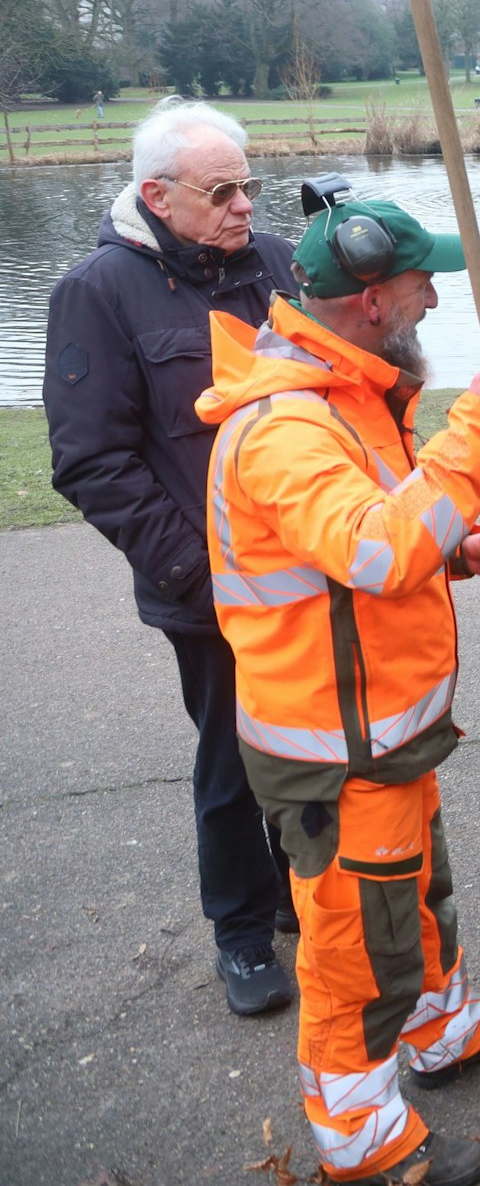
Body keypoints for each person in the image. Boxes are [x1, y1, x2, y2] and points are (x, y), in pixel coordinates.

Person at [196, 181, 480, 1186]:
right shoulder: (284, 428)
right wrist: (476, 429)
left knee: (418, 897)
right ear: (368, 302)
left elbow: (387, 541)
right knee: (356, 944)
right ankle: (362, 1143)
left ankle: (440, 1033)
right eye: (419, 282)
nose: (433, 298)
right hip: (334, 749)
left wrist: (456, 552)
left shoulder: (352, 396)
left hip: (388, 730)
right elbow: (372, 549)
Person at [43, 96, 298, 1018]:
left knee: (306, 745)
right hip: (207, 590)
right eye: (221, 190)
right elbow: (91, 462)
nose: (244, 206)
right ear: (157, 194)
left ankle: (296, 892)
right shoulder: (98, 290)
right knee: (231, 756)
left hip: (306, 570)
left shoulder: (274, 264)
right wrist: (198, 569)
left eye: (250, 186)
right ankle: (241, 930)